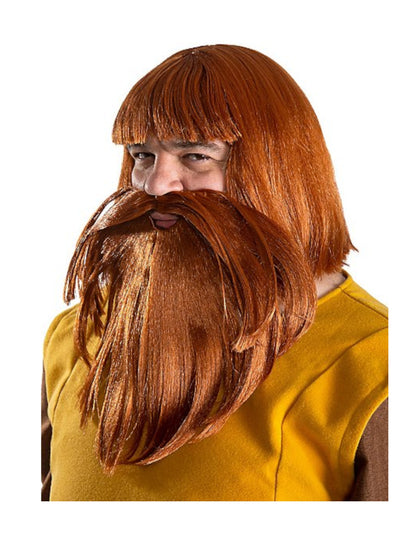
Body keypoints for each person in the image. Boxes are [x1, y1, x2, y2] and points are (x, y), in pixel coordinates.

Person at [41, 44, 388, 501]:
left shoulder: (376, 364)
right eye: (142, 155)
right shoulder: (77, 337)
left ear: (277, 168)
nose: (155, 185)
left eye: (196, 155)